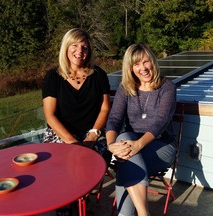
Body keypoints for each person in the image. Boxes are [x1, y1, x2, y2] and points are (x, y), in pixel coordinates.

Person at [42, 28, 111, 215]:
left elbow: (105, 108)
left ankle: (81, 200)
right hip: (61, 134)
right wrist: (72, 142)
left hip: (92, 134)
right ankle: (66, 203)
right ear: (66, 47)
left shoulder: (98, 75)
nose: (79, 51)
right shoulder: (53, 77)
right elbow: (50, 115)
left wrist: (93, 135)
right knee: (63, 161)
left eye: (84, 47)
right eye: (74, 45)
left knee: (91, 161)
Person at [106, 44, 178, 216]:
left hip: (161, 147)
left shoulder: (167, 88)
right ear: (130, 68)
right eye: (136, 64)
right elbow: (114, 119)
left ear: (153, 62)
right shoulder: (126, 88)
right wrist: (110, 145)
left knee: (126, 160)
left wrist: (137, 145)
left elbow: (159, 123)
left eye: (146, 62)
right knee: (124, 143)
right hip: (131, 146)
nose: (143, 68)